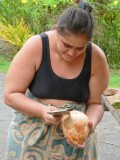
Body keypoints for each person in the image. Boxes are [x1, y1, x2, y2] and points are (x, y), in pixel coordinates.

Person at [4, 1, 109, 160]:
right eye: (66, 45)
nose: (72, 53)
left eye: (80, 48)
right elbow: (11, 95)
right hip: (31, 138)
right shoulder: (36, 46)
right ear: (56, 31)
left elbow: (97, 103)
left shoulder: (96, 57)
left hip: (76, 139)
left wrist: (90, 125)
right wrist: (42, 111)